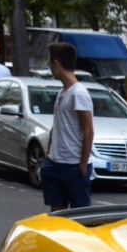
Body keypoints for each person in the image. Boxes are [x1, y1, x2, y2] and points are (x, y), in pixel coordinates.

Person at [40, 42, 94, 212]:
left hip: (73, 164)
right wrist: (48, 157)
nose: (50, 68)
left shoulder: (79, 93)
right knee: (57, 213)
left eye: (50, 64)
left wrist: (82, 165)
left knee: (80, 216)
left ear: (56, 64)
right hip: (54, 163)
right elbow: (57, 126)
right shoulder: (63, 92)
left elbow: (88, 130)